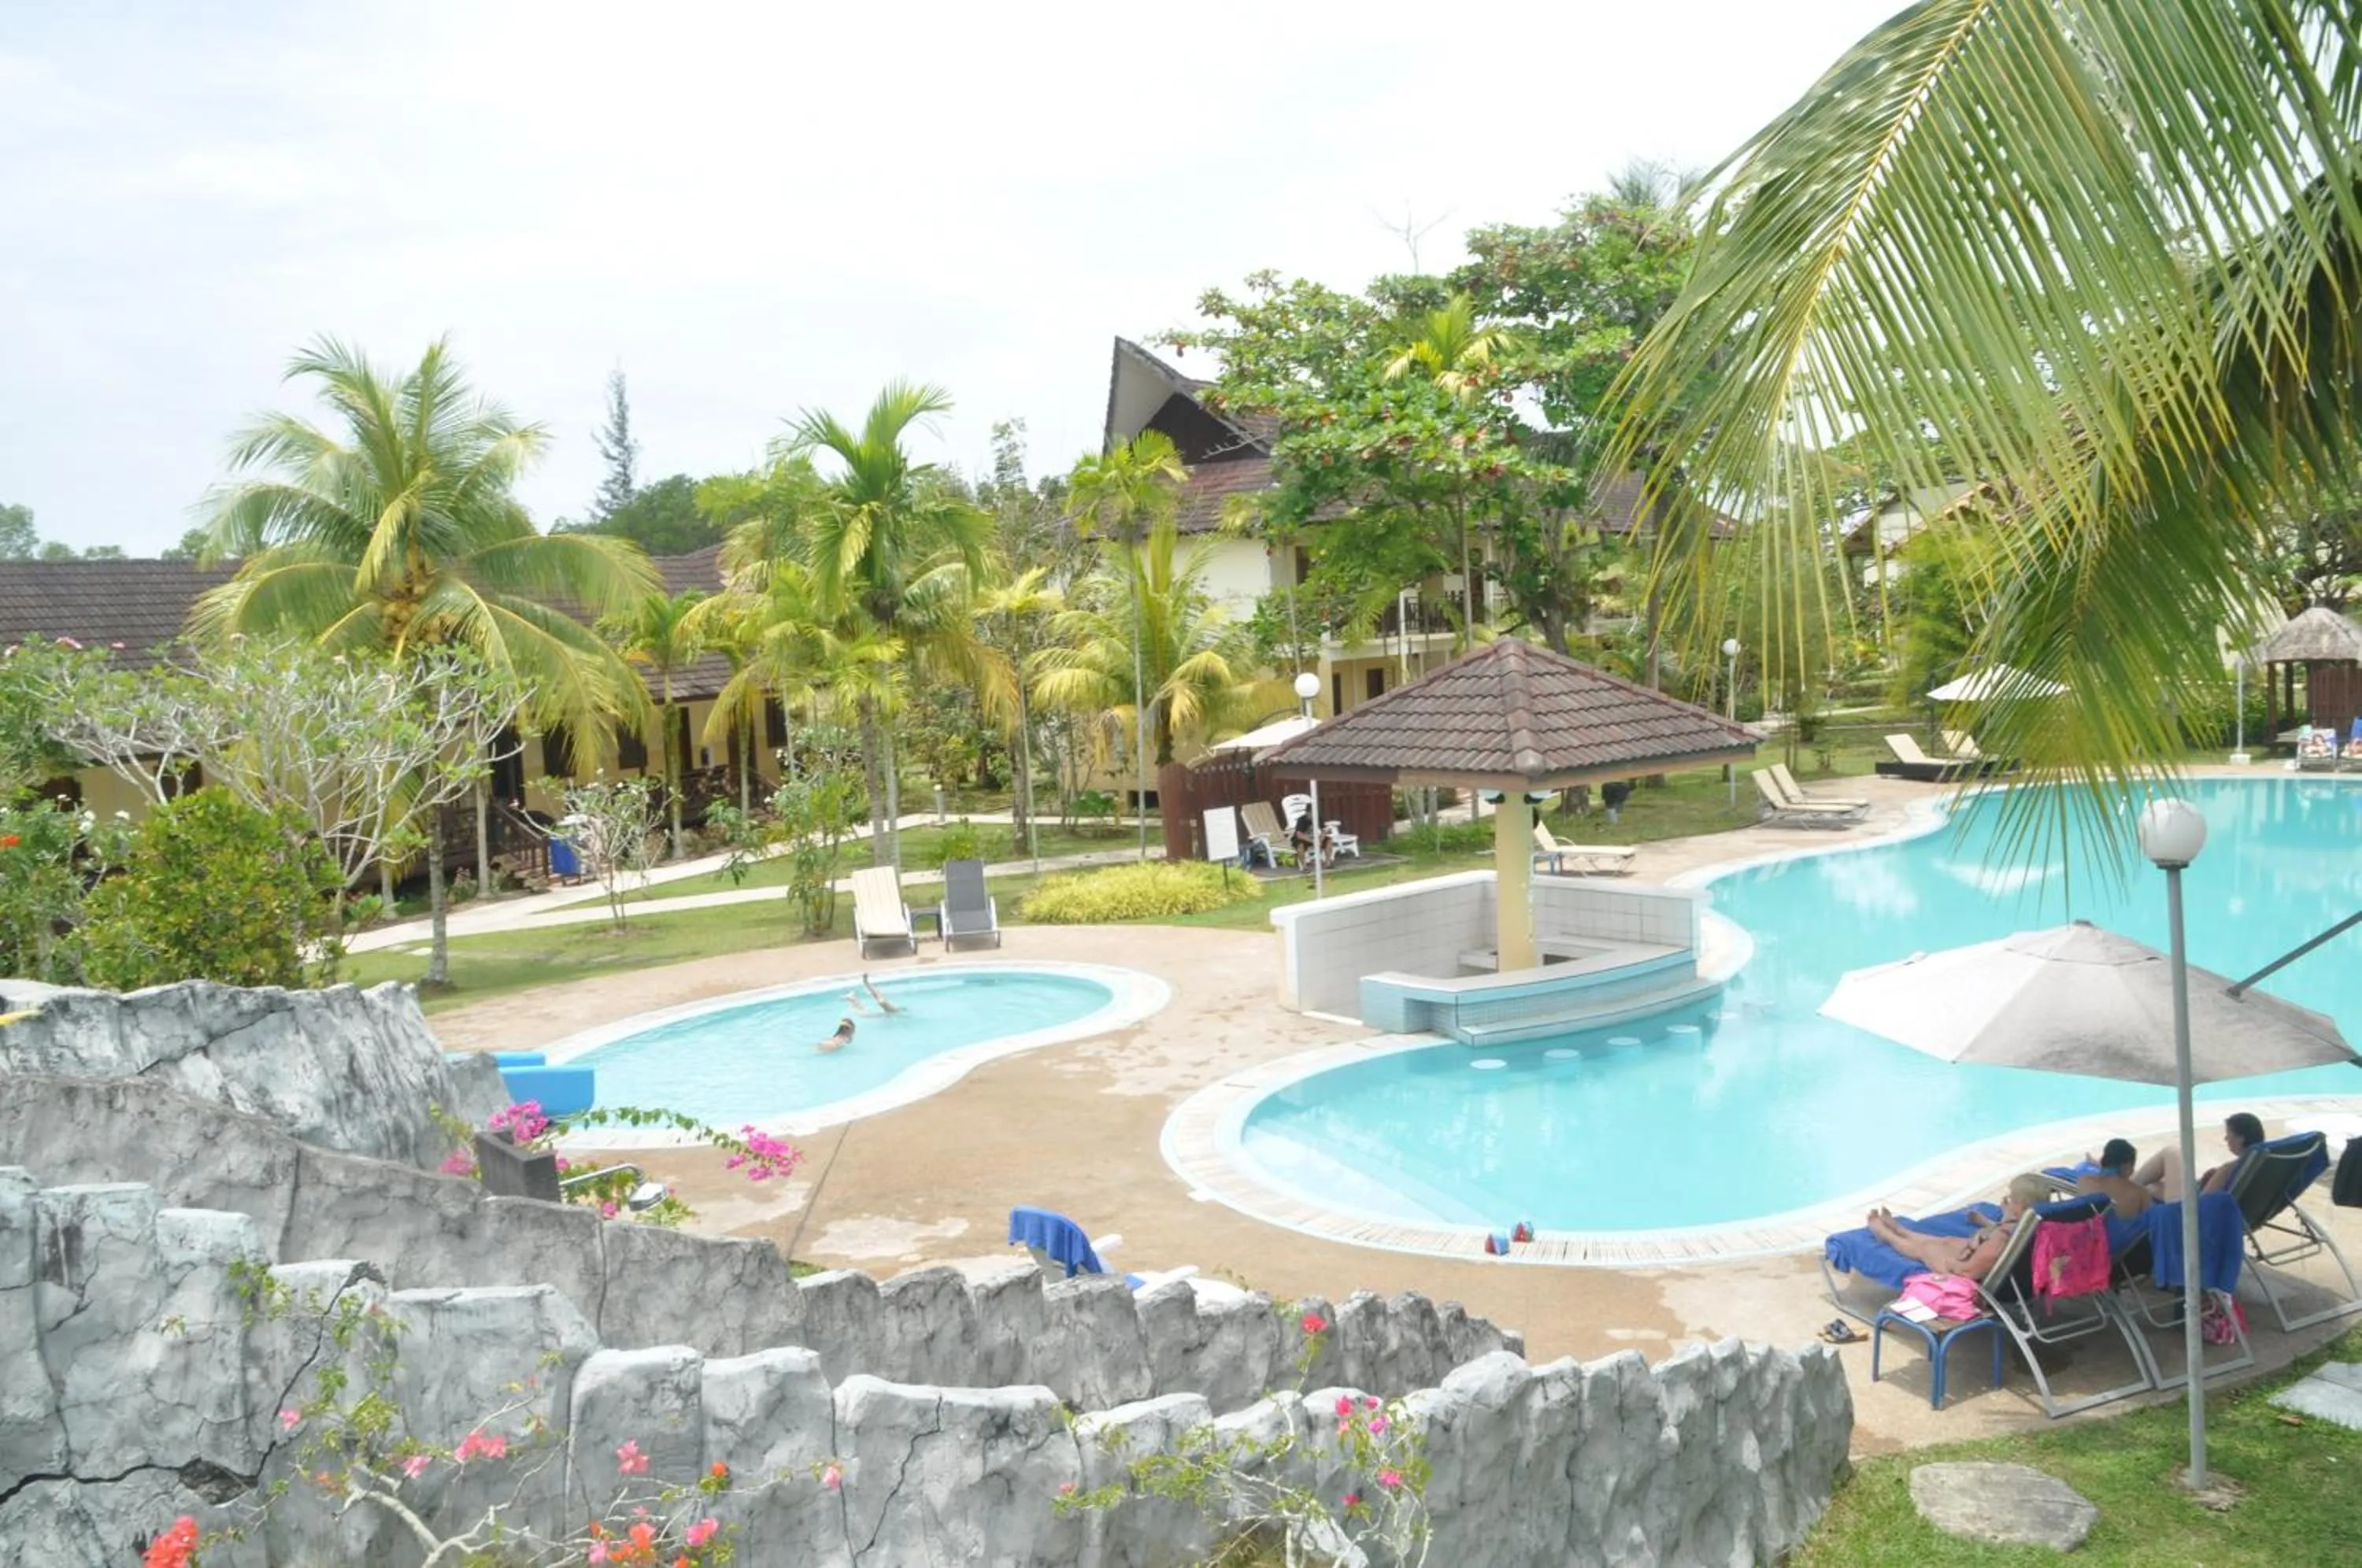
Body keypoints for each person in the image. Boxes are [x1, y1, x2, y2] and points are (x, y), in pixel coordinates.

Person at [1865, 1174, 2049, 1281]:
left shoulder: (2002, 1237)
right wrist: (1989, 1222)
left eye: (2011, 1198)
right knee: (1948, 1241)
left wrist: (1950, 1262)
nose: (2007, 1200)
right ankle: (1901, 1230)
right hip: (2004, 1266)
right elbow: (2014, 1235)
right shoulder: (2038, 1222)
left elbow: (1968, 1271)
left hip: (1973, 1278)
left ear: (2020, 1203)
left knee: (1927, 1248)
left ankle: (1885, 1234)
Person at [2134, 1111, 2264, 1200]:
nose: (2225, 1138)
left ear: (2241, 1138)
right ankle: (2128, 1185)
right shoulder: (2263, 1162)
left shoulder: (2229, 1169)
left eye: (2229, 1134)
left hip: (2189, 1210)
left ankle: (2123, 1189)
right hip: (2199, 1197)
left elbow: (2203, 1203)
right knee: (2154, 1182)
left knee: (2172, 1152)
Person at [2070, 1137, 2152, 1219]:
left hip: (2092, 1229)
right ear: (2127, 1166)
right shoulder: (2140, 1193)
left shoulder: (2084, 1181)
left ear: (2104, 1161)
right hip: (2122, 1231)